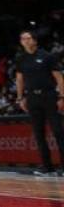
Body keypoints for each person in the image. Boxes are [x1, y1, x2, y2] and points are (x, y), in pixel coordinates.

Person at [14, 29, 64, 176]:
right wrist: (20, 98)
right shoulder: (21, 59)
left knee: (58, 132)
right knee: (39, 134)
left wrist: (62, 97)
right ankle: (47, 167)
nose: (25, 41)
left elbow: (59, 78)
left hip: (49, 96)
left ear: (35, 40)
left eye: (28, 38)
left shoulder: (47, 56)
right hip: (32, 98)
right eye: (23, 39)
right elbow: (19, 79)